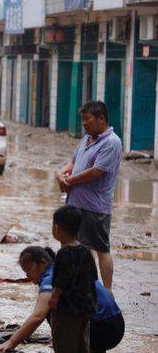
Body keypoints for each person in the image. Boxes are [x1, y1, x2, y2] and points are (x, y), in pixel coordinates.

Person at [0, 245, 124, 353]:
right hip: (117, 326)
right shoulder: (65, 266)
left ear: (43, 263)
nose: (27, 276)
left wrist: (11, 342)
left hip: (102, 331)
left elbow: (38, 316)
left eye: (29, 270)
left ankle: (72, 352)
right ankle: (95, 351)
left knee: (51, 307)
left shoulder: (51, 277)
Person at [55, 101, 122, 293]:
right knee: (82, 248)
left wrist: (69, 181)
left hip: (95, 206)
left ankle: (107, 291)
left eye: (87, 119)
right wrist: (61, 174)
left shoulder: (112, 142)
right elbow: (74, 161)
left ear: (101, 119)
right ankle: (87, 286)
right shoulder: (87, 139)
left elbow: (96, 172)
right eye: (82, 119)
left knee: (101, 248)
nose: (84, 123)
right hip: (75, 203)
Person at [46, 205, 98, 353]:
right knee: (82, 336)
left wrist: (54, 298)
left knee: (63, 336)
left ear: (57, 228)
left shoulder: (63, 253)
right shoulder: (85, 250)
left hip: (67, 305)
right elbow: (93, 276)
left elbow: (62, 280)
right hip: (85, 302)